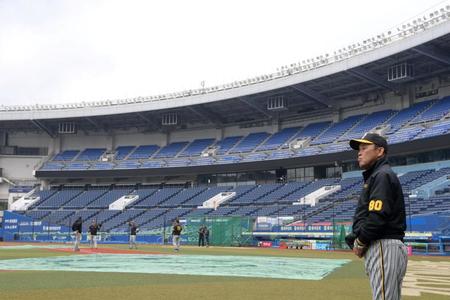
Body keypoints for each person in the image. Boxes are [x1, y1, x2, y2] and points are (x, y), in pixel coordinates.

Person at [346, 133, 407, 300]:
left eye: (365, 148)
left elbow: (377, 216)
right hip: (387, 246)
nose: (359, 152)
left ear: (380, 151)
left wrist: (360, 241)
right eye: (359, 149)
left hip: (382, 246)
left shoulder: (381, 175)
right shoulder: (379, 174)